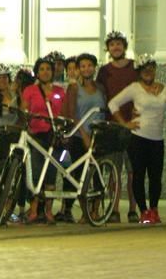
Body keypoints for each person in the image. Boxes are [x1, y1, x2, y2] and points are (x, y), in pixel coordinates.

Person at [108, 54, 166, 225]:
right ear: (139, 72)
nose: (148, 72)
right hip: (138, 138)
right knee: (138, 175)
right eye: (144, 69)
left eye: (151, 68)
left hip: (157, 139)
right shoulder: (134, 88)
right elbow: (113, 104)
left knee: (156, 177)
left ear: (155, 70)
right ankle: (143, 211)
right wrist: (125, 123)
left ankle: (154, 209)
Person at [95, 31, 140, 223]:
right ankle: (114, 209)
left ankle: (133, 209)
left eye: (119, 44)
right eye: (112, 44)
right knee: (114, 170)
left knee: (132, 171)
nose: (115, 47)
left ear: (124, 47)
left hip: (134, 125)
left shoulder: (135, 67)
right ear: (108, 48)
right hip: (113, 125)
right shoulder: (104, 71)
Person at [20, 57, 69, 224]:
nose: (45, 72)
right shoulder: (30, 90)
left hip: (54, 137)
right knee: (35, 172)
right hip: (36, 135)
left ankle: (48, 211)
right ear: (37, 72)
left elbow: (64, 112)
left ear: (53, 72)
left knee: (51, 174)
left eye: (48, 69)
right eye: (42, 69)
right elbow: (24, 111)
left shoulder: (60, 91)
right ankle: (34, 210)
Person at [63, 53, 108, 223]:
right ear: (78, 69)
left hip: (98, 136)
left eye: (89, 65)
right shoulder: (74, 88)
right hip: (79, 136)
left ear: (94, 67)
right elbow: (72, 114)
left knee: (97, 174)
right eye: (82, 66)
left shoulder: (100, 88)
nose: (86, 69)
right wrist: (83, 135)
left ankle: (95, 210)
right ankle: (84, 212)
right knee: (81, 175)